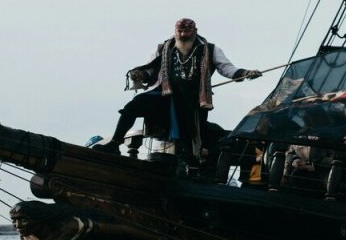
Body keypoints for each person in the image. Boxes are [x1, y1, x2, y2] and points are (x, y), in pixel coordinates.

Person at [97, 18, 260, 169]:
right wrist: (141, 75)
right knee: (133, 106)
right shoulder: (164, 48)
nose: (182, 35)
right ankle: (115, 143)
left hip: (193, 99)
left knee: (189, 134)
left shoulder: (210, 49)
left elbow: (226, 68)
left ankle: (189, 167)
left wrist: (244, 73)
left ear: (195, 31)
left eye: (186, 32)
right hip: (164, 94)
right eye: (179, 31)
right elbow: (151, 69)